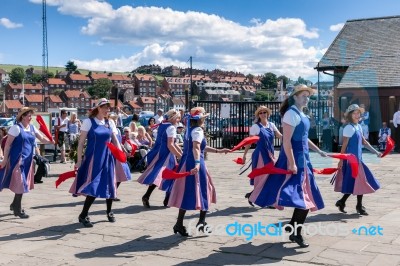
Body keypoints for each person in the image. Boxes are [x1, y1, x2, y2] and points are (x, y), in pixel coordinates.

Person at [249, 85, 327, 248]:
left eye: (308, 96)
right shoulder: (291, 114)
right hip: (295, 159)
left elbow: (304, 138)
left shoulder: (300, 113)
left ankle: (293, 226)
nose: (307, 98)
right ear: (295, 97)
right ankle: (296, 233)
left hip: (303, 158)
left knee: (305, 195)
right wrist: (291, 163)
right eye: (303, 96)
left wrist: (318, 150)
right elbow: (286, 141)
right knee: (305, 198)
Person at [168, 107, 230, 236]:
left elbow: (200, 147)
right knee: (205, 190)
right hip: (195, 162)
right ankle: (200, 222)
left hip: (186, 162)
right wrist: (197, 163)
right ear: (201, 119)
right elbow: (196, 148)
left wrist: (219, 150)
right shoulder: (198, 130)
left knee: (187, 191)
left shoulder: (189, 130)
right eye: (204, 118)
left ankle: (180, 223)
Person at [69, 98, 126, 227]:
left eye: (108, 108)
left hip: (108, 157)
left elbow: (115, 140)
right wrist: (79, 160)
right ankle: (83, 214)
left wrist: (121, 153)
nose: (107, 110)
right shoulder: (88, 122)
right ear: (99, 108)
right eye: (105, 107)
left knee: (111, 184)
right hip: (94, 158)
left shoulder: (109, 122)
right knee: (93, 185)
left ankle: (109, 211)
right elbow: (81, 143)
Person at [0, 107, 54, 218]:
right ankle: (17, 209)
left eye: (31, 115)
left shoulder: (32, 128)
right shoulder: (16, 128)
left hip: (28, 160)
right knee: (20, 183)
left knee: (22, 183)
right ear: (23, 116)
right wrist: (5, 159)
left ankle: (14, 204)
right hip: (17, 160)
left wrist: (50, 140)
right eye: (28, 115)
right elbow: (7, 145)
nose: (30, 117)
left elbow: (42, 139)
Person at [334, 104, 381, 216]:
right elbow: (344, 146)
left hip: (358, 160)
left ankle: (343, 202)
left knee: (356, 183)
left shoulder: (358, 126)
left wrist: (376, 152)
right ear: (350, 115)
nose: (357, 115)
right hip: (351, 161)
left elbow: (364, 142)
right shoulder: (349, 128)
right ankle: (358, 206)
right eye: (354, 113)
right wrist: (340, 161)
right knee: (360, 183)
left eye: (358, 113)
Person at [137, 109, 183, 208]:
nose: (179, 120)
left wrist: (180, 154)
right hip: (165, 155)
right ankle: (165, 200)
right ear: (173, 118)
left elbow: (172, 144)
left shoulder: (163, 125)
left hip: (159, 152)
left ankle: (153, 197)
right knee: (165, 175)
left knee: (159, 175)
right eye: (178, 118)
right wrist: (180, 156)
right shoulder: (171, 128)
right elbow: (171, 145)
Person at [242, 106, 282, 206]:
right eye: (261, 113)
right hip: (260, 155)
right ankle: (262, 199)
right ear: (258, 115)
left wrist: (290, 142)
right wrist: (244, 155)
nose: (263, 114)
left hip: (270, 154)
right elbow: (249, 142)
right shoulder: (255, 127)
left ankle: (253, 195)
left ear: (268, 114)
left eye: (265, 112)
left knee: (271, 177)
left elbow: (280, 136)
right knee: (262, 177)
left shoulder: (271, 125)